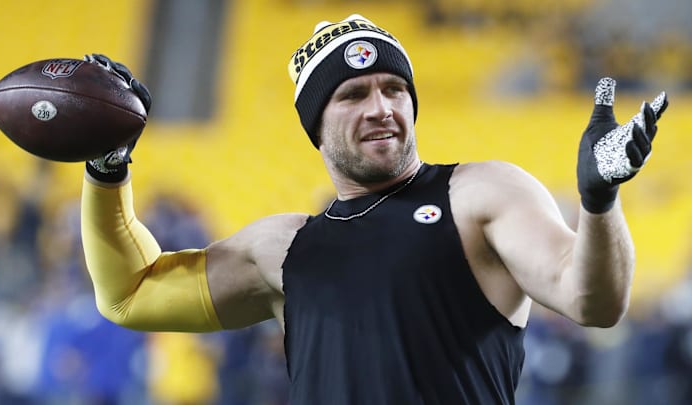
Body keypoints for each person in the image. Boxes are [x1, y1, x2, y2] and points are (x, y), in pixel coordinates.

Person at [79, 14, 669, 404]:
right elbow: (130, 294)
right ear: (317, 123)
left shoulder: (479, 194)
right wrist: (107, 172)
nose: (381, 106)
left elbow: (595, 302)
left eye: (394, 89)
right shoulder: (281, 248)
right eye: (353, 94)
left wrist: (599, 201)